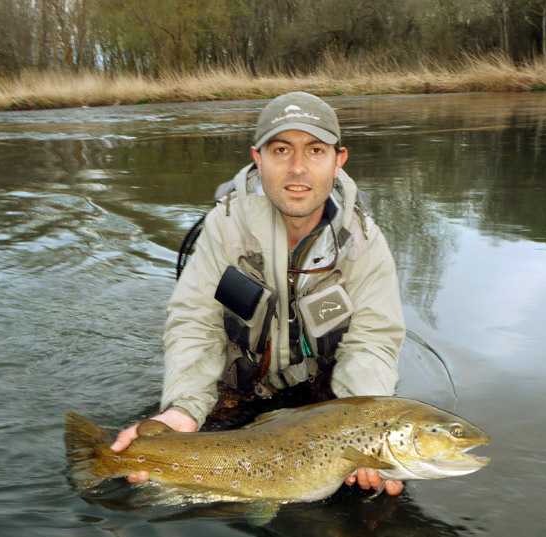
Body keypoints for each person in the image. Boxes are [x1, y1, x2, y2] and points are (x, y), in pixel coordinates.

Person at [111, 92, 406, 495]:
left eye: (315, 150)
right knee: (174, 490)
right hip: (234, 391)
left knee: (371, 502)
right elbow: (195, 325)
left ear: (339, 160)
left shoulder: (365, 243)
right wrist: (183, 408)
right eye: (281, 149)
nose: (297, 168)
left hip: (326, 398)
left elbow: (373, 342)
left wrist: (363, 428)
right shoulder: (223, 229)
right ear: (258, 158)